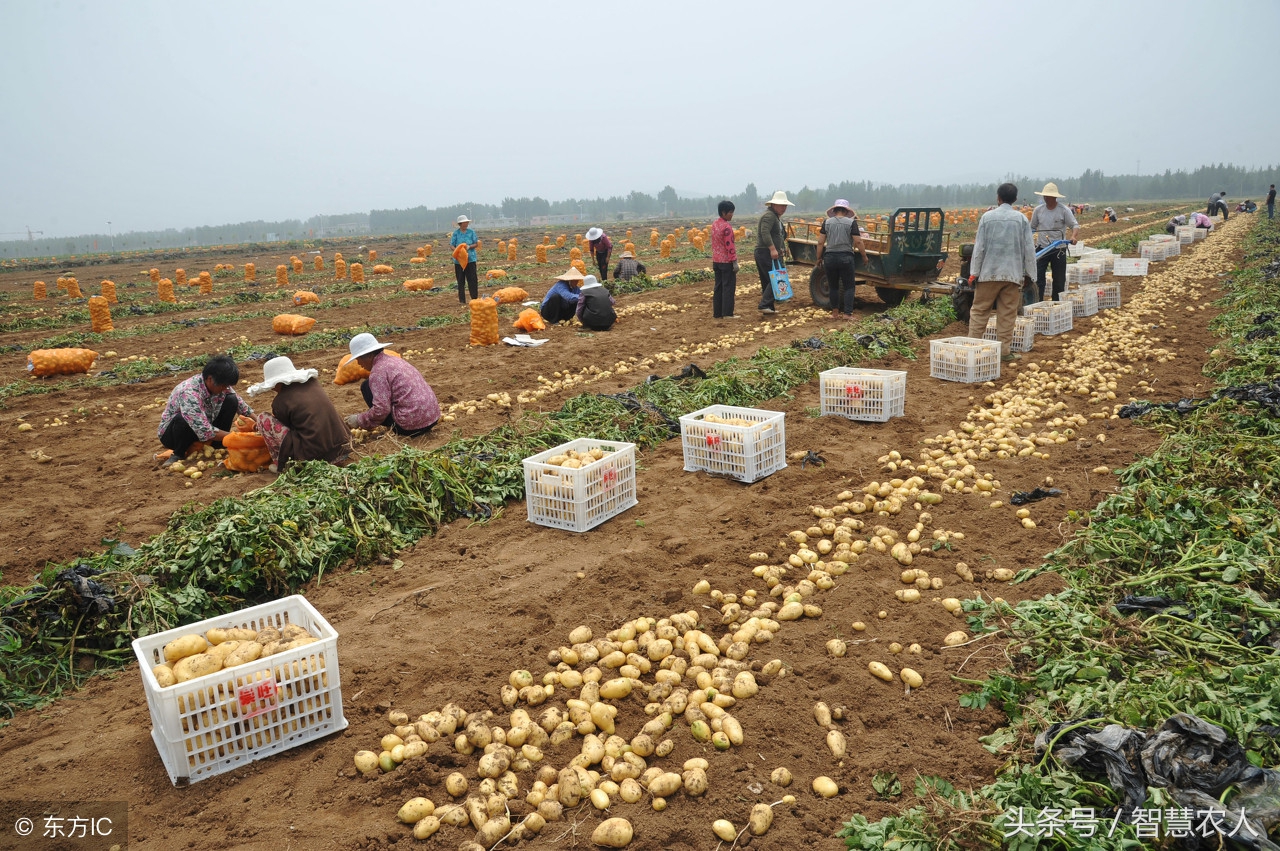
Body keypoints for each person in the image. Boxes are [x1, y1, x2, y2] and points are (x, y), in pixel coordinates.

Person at [968, 182, 1036, 363]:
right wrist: (1030, 274)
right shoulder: (1021, 219)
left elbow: (979, 247)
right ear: (1015, 199)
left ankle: (972, 347)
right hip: (1012, 274)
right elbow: (1029, 249)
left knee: (980, 311)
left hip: (988, 273)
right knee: (1007, 313)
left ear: (998, 198)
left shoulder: (987, 218)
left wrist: (974, 273)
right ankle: (1004, 352)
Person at [247, 356, 350, 472]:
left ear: (277, 382)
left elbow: (288, 426)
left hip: (314, 456)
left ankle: (282, 465)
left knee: (262, 419)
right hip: (342, 447)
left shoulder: (280, 401)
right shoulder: (313, 383)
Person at [157, 354, 253, 464]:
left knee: (232, 400)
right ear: (210, 379)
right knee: (182, 419)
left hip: (203, 426)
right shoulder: (189, 392)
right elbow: (204, 429)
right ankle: (179, 453)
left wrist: (258, 422)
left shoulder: (219, 384)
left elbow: (241, 405)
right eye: (223, 385)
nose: (225, 388)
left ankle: (218, 445)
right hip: (174, 434)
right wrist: (237, 437)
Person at [343, 333, 440, 437]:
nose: (358, 363)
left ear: (369, 356)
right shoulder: (395, 360)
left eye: (358, 359)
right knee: (367, 384)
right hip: (433, 417)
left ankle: (395, 426)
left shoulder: (377, 372)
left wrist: (360, 420)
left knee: (366, 388)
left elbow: (381, 409)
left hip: (411, 426)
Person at [814, 198, 870, 320]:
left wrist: (818, 258)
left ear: (834, 211)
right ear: (846, 211)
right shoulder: (851, 223)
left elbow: (820, 242)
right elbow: (858, 241)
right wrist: (864, 256)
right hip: (846, 257)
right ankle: (847, 314)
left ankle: (835, 313)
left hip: (830, 258)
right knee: (849, 286)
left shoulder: (827, 223)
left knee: (833, 286)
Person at [1029, 182, 1080, 303]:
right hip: (1042, 248)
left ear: (1055, 197)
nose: (1046, 198)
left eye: (1049, 196)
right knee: (1038, 278)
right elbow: (1032, 227)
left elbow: (1074, 225)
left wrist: (1073, 236)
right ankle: (1038, 302)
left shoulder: (1063, 210)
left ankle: (1057, 303)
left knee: (1059, 279)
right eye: (1045, 196)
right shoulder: (1038, 210)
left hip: (1058, 249)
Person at [755, 190, 794, 314]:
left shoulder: (775, 217)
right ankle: (764, 304)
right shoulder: (769, 216)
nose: (784, 208)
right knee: (776, 278)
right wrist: (772, 249)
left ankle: (769, 307)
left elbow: (778, 235)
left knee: (768, 280)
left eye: (785, 205)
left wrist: (782, 247)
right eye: (781, 205)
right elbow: (764, 232)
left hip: (766, 252)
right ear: (773, 204)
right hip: (765, 252)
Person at [710, 200, 738, 319]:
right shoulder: (727, 227)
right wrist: (734, 262)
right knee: (728, 287)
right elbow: (729, 246)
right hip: (726, 262)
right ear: (723, 212)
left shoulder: (715, 224)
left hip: (716, 261)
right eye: (730, 212)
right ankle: (727, 313)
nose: (732, 215)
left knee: (718, 287)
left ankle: (717, 313)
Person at [450, 214, 479, 305]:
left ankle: (474, 298)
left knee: (472, 279)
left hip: (470, 259)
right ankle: (462, 300)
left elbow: (476, 244)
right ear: (460, 224)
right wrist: (457, 251)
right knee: (460, 280)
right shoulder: (456, 233)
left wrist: (469, 246)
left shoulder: (471, 232)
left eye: (467, 222)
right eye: (464, 222)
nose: (466, 224)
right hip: (459, 261)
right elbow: (452, 245)